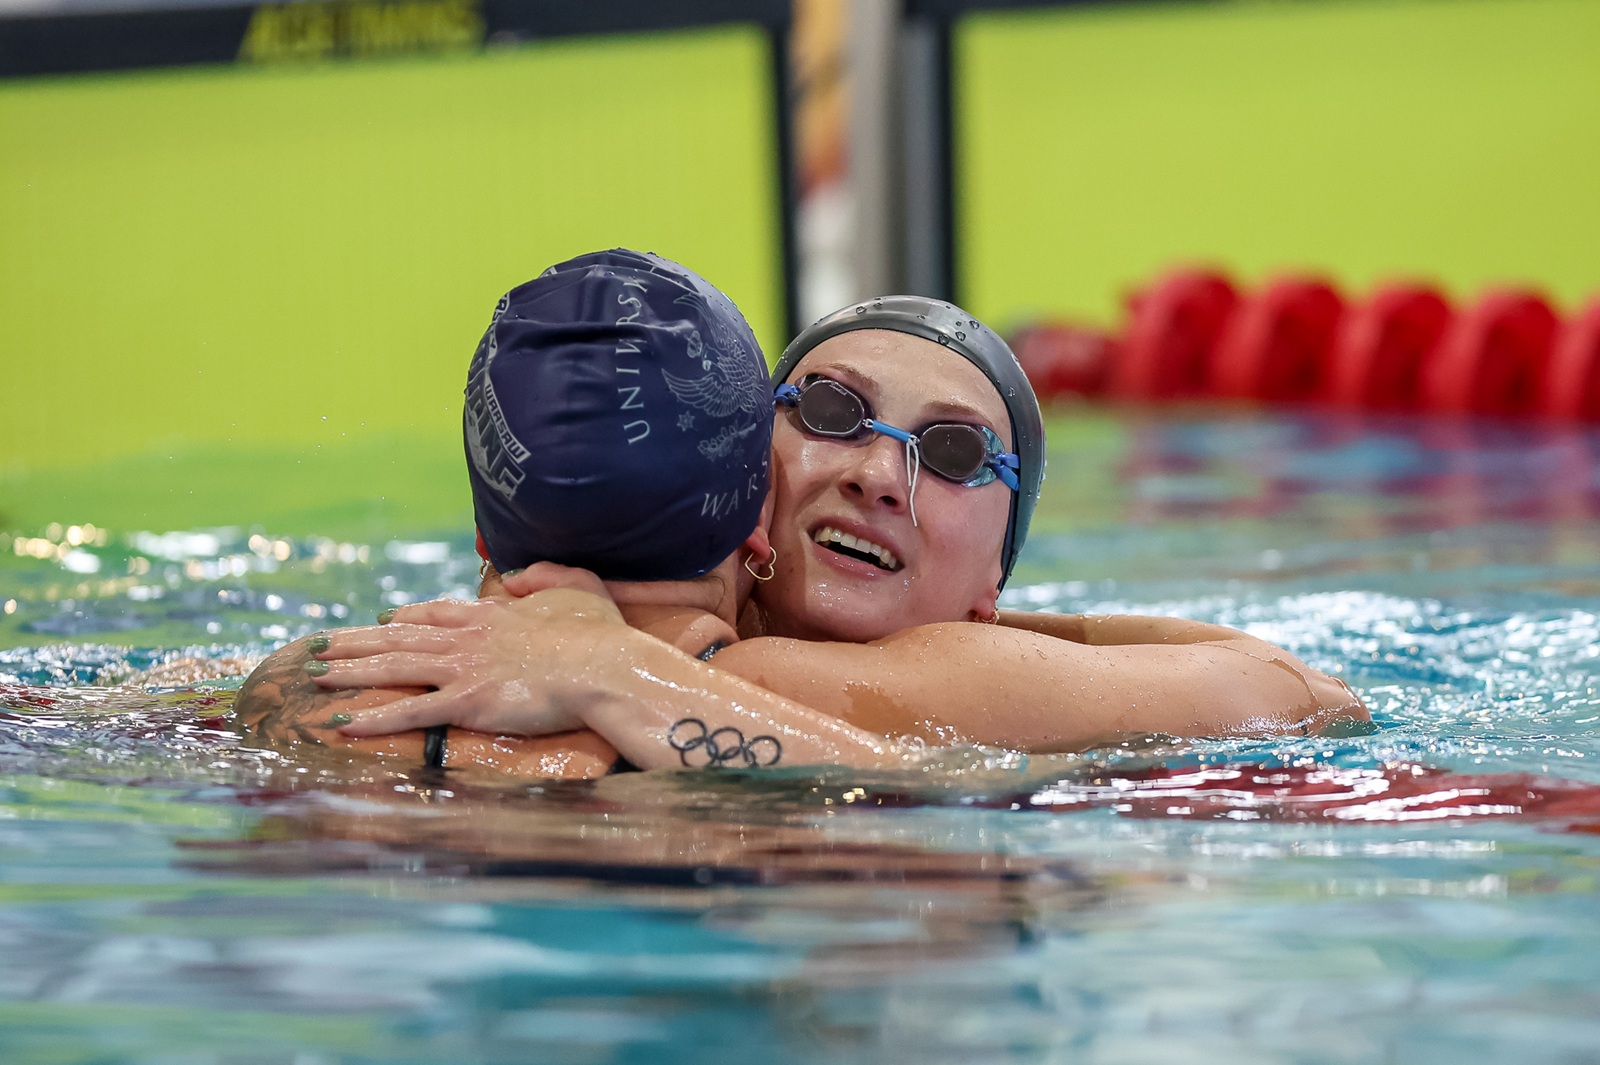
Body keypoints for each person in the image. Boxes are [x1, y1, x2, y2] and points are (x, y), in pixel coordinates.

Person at [318, 296, 1367, 755]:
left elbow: (1305, 697)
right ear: (741, 467)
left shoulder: (973, 672)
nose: (877, 475)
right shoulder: (533, 636)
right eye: (830, 410)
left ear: (994, 579)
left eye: (953, 454)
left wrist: (998, 647)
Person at [235, 249, 897, 775]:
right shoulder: (868, 700)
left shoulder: (312, 689)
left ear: (483, 531)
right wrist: (610, 674)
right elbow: (937, 787)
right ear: (758, 517)